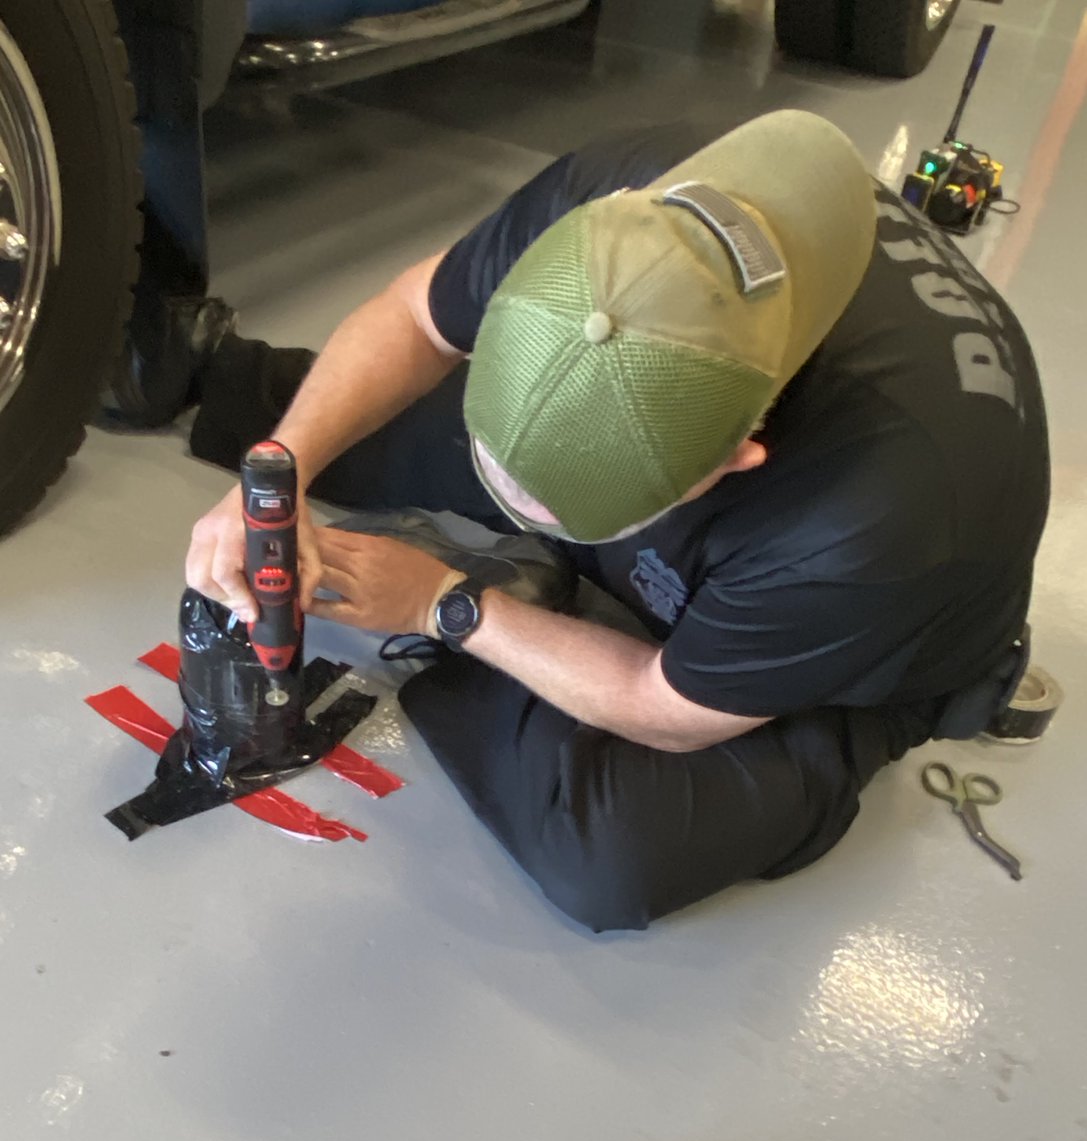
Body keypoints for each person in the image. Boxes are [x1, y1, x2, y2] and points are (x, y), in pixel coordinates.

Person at [182, 111, 1050, 932]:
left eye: (568, 513)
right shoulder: (619, 211)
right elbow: (418, 315)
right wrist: (284, 469)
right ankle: (199, 382)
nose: (525, 513)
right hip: (721, 494)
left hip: (854, 627)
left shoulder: (880, 511)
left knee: (608, 854)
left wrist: (446, 605)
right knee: (322, 415)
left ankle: (525, 628)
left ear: (736, 457)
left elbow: (664, 708)